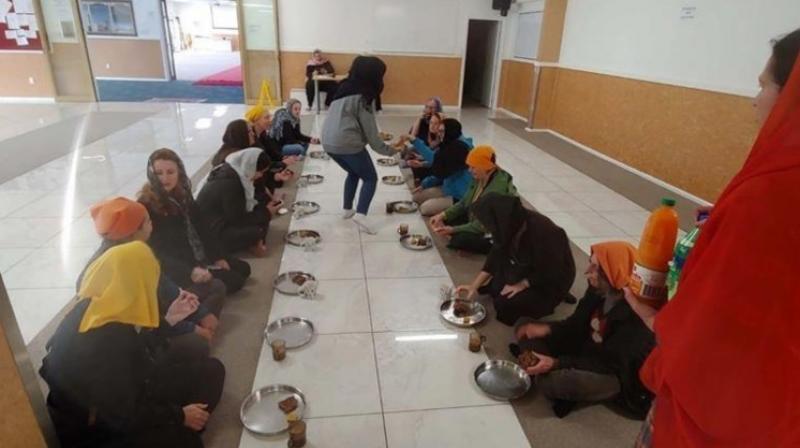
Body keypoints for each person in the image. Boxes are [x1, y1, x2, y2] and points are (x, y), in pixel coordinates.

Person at [627, 29, 800, 448]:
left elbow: (715, 326)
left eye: (764, 85)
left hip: (723, 416)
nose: (755, 100)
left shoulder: (770, 193)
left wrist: (657, 321)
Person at [40, 241, 225, 448]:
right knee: (188, 442)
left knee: (212, 370)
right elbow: (120, 413)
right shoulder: (105, 337)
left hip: (131, 391)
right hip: (97, 427)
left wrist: (168, 321)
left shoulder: (103, 304)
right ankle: (179, 427)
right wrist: (179, 415)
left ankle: (177, 424)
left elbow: (138, 354)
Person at [510, 241, 654, 420]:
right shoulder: (597, 289)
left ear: (613, 274)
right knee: (524, 325)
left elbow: (609, 364)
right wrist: (547, 329)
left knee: (552, 382)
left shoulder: (635, 315)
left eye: (595, 269)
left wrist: (556, 363)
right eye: (590, 264)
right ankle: (539, 365)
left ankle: (541, 367)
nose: (587, 273)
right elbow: (576, 325)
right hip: (586, 347)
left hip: (615, 374)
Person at [78, 197, 221, 358]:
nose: (151, 223)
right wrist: (190, 328)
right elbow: (143, 326)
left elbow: (164, 284)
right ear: (134, 231)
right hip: (134, 341)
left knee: (216, 287)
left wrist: (200, 312)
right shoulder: (120, 268)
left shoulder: (134, 251)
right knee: (198, 345)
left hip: (157, 315)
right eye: (147, 221)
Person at [139, 148, 252, 293]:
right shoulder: (147, 206)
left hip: (196, 254)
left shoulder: (182, 194)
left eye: (170, 172)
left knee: (244, 269)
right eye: (159, 173)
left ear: (179, 172)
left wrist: (217, 257)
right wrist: (190, 271)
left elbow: (203, 228)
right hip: (178, 265)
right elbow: (156, 252)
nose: (165, 179)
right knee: (236, 281)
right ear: (151, 174)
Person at [457, 193, 575, 325]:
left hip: (551, 278)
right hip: (526, 267)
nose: (484, 226)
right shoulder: (507, 225)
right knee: (496, 288)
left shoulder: (544, 232)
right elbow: (495, 255)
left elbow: (553, 270)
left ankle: (551, 302)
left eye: (486, 222)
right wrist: (474, 285)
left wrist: (523, 284)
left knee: (504, 302)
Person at [321, 55, 394, 234]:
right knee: (370, 178)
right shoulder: (363, 96)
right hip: (346, 143)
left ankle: (347, 209)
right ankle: (361, 216)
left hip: (328, 142)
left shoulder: (344, 87)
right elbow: (372, 135)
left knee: (353, 172)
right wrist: (392, 151)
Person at [429, 145, 517, 254]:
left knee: (461, 240)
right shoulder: (480, 177)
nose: (470, 170)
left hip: (493, 231)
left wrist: (453, 230)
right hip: (476, 218)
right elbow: (464, 203)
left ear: (484, 166)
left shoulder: (496, 191)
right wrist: (443, 215)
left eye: (473, 167)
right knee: (447, 220)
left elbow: (481, 225)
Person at [196, 147, 277, 256]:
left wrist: (265, 212)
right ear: (251, 167)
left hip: (223, 219)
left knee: (262, 214)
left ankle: (255, 243)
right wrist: (266, 213)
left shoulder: (235, 171)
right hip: (213, 231)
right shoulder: (231, 183)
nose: (260, 176)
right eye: (260, 172)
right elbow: (238, 220)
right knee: (258, 229)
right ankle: (254, 243)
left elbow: (241, 209)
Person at [411, 118, 473, 216]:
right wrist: (425, 184)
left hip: (460, 196)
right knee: (416, 197)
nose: (439, 134)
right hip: (447, 188)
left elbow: (435, 160)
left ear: (450, 131)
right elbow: (441, 170)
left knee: (425, 208)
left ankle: (459, 211)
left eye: (441, 131)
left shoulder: (460, 148)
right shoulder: (450, 143)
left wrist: (414, 141)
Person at [404, 111, 444, 182]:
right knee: (409, 152)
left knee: (415, 163)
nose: (432, 126)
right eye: (431, 122)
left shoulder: (443, 139)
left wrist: (421, 163)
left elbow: (436, 160)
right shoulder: (431, 133)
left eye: (436, 123)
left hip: (438, 168)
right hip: (431, 161)